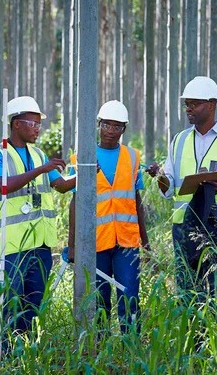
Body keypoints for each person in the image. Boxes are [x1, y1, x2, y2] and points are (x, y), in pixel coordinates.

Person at [146, 76, 217, 306]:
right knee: (186, 289)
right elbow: (168, 190)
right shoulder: (179, 140)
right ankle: (191, 339)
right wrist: (160, 176)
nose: (189, 109)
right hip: (184, 227)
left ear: (211, 104)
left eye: (194, 104)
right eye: (186, 104)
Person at [0, 96, 76, 350]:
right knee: (11, 306)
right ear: (15, 124)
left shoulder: (38, 154)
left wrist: (88, 171)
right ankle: (7, 355)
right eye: (32, 123)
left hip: (41, 245)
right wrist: (41, 170)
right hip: (12, 248)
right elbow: (3, 185)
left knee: (32, 306)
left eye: (38, 124)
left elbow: (61, 185)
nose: (37, 128)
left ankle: (24, 354)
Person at [67, 100, 149, 334]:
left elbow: (137, 201)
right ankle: (101, 347)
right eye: (107, 125)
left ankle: (131, 347)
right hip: (96, 242)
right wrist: (72, 245)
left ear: (124, 129)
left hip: (127, 243)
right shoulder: (82, 157)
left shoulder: (132, 157)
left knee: (130, 295)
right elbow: (75, 203)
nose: (111, 132)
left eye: (117, 127)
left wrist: (146, 240)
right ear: (98, 125)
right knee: (99, 299)